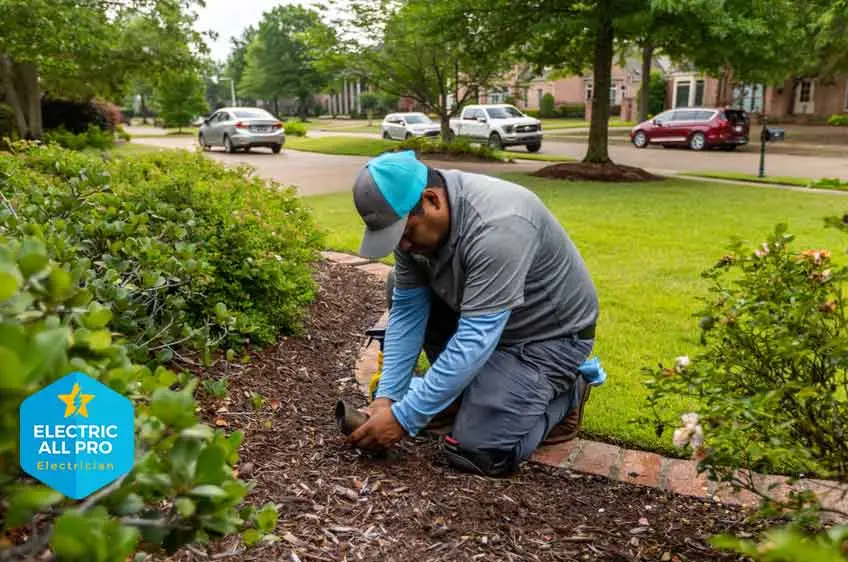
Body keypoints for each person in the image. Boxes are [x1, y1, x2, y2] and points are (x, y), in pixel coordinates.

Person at [346, 150, 604, 476]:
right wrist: (388, 398)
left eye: (406, 233)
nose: (405, 247)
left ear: (432, 200)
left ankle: (568, 391)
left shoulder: (499, 227)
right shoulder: (414, 223)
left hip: (547, 339)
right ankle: (473, 391)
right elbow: (409, 312)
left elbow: (474, 339)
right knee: (401, 284)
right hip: (485, 320)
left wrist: (403, 418)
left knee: (479, 451)